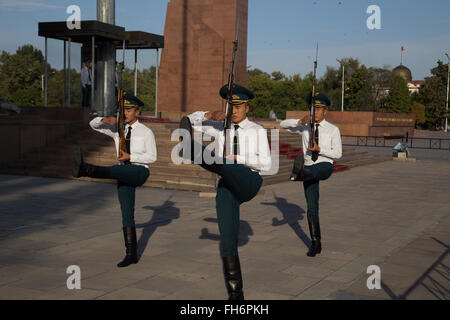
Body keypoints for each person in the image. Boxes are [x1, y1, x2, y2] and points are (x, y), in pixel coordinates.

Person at [178, 84, 272, 300]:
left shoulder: (256, 130)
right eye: (231, 106)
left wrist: (237, 159)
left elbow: (266, 164)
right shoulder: (219, 128)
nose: (234, 110)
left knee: (224, 164)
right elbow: (189, 121)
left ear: (247, 108)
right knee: (227, 237)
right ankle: (235, 293)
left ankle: (194, 152)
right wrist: (209, 114)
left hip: (248, 180)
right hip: (227, 182)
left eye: (238, 106)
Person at [72, 92, 157, 267]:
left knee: (118, 168)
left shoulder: (146, 132)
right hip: (122, 172)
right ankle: (131, 254)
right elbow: (92, 124)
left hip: (139, 171)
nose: (125, 112)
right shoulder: (118, 129)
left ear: (137, 112)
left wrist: (130, 156)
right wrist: (106, 120)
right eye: (123, 109)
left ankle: (86, 169)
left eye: (129, 109)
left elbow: (152, 157)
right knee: (127, 213)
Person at [280, 92, 342, 257]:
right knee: (312, 207)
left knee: (317, 170)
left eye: (319, 109)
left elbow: (338, 154)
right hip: (308, 168)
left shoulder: (333, 130)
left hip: (324, 165)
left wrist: (320, 149)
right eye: (313, 108)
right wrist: (300, 121)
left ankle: (298, 174)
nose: (315, 112)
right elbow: (283, 124)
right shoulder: (305, 127)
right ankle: (316, 243)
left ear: (325, 111)